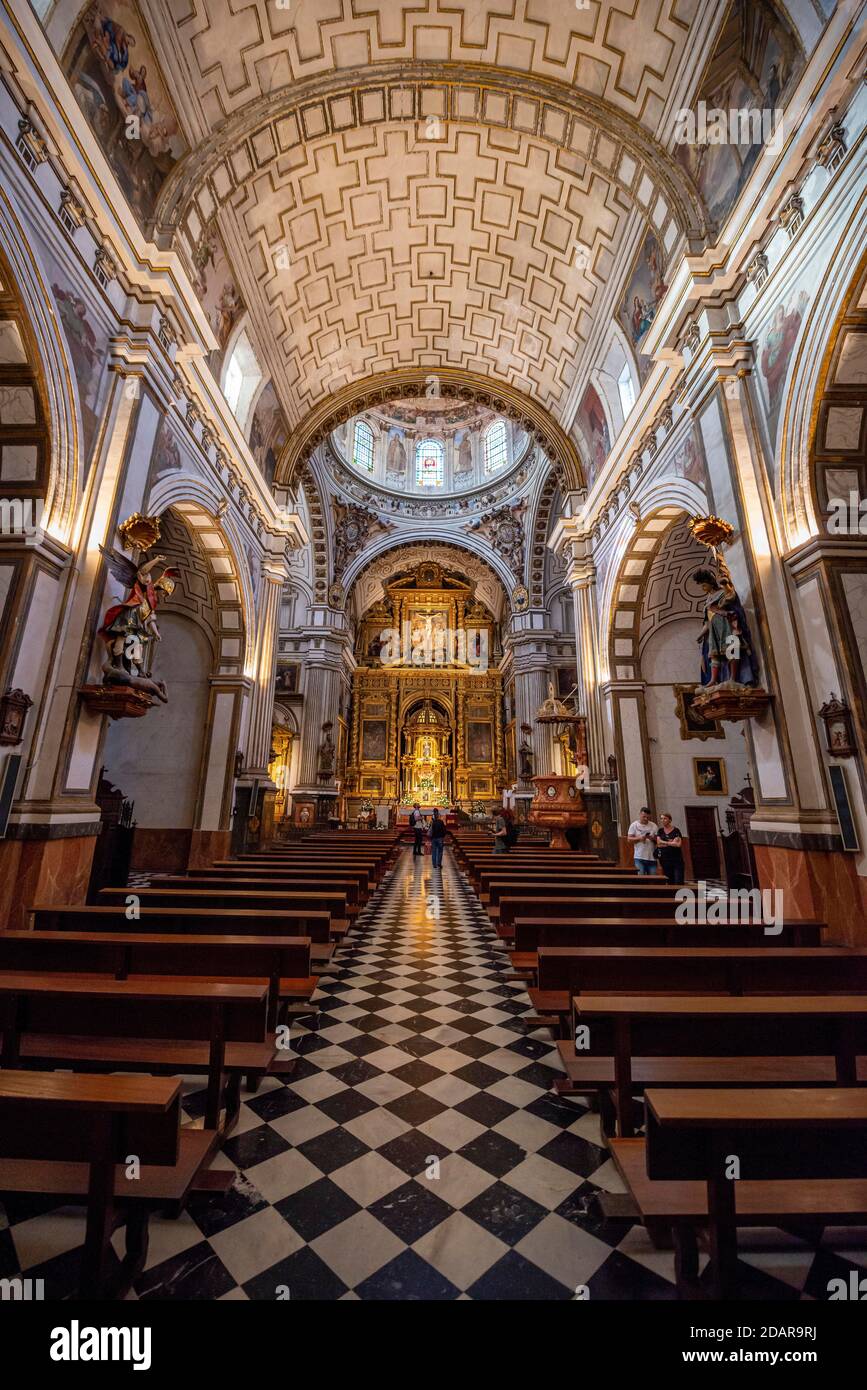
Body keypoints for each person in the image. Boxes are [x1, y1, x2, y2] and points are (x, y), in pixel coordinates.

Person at [627, 806, 658, 876]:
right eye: (644, 817)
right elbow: (629, 839)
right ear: (640, 814)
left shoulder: (654, 826)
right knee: (641, 879)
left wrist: (652, 838)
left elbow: (658, 841)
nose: (646, 819)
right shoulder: (634, 825)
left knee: (654, 881)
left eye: (648, 817)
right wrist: (639, 838)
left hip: (652, 858)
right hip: (639, 857)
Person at [655, 812, 685, 884]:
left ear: (670, 820)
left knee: (678, 880)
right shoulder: (660, 831)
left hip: (677, 859)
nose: (663, 820)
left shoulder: (676, 830)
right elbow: (658, 844)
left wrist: (664, 842)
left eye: (665, 818)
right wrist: (671, 842)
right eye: (661, 819)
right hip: (665, 859)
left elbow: (678, 844)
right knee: (670, 881)